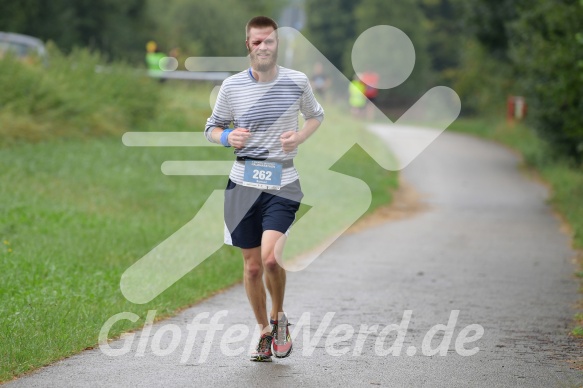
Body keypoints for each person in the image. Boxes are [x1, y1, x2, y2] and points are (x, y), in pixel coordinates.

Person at [204, 16, 324, 362]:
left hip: (282, 182)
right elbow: (211, 128)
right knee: (253, 267)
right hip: (242, 184)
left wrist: (299, 136)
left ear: (277, 44)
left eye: (268, 41)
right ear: (248, 45)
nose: (263, 47)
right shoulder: (231, 88)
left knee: (272, 259)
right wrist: (228, 136)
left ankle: (279, 317)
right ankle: (264, 332)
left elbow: (316, 115)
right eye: (256, 42)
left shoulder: (296, 82)